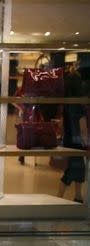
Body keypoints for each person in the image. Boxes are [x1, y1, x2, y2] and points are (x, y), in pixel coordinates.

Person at [57, 63, 87, 203]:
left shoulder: (67, 104)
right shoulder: (79, 104)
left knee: (78, 168)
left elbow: (63, 124)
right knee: (74, 169)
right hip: (78, 142)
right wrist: (87, 141)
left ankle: (78, 196)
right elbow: (82, 126)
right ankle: (58, 197)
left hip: (69, 140)